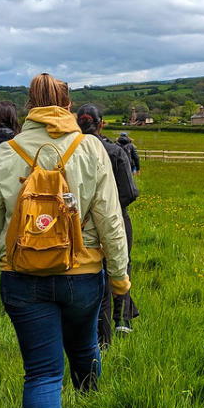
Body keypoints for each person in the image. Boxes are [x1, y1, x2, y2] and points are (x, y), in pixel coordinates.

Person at [0, 74, 129, 408]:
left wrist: (9, 255)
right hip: (83, 276)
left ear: (30, 105)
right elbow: (110, 219)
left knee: (43, 373)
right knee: (84, 346)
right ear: (67, 105)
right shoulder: (90, 148)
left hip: (24, 279)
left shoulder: (6, 153)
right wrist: (119, 278)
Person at [75, 104, 140, 346]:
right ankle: (122, 320)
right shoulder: (114, 151)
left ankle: (99, 333)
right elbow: (130, 192)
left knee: (94, 272)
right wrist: (110, 207)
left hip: (81, 222)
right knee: (120, 265)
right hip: (116, 218)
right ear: (101, 124)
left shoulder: (70, 153)